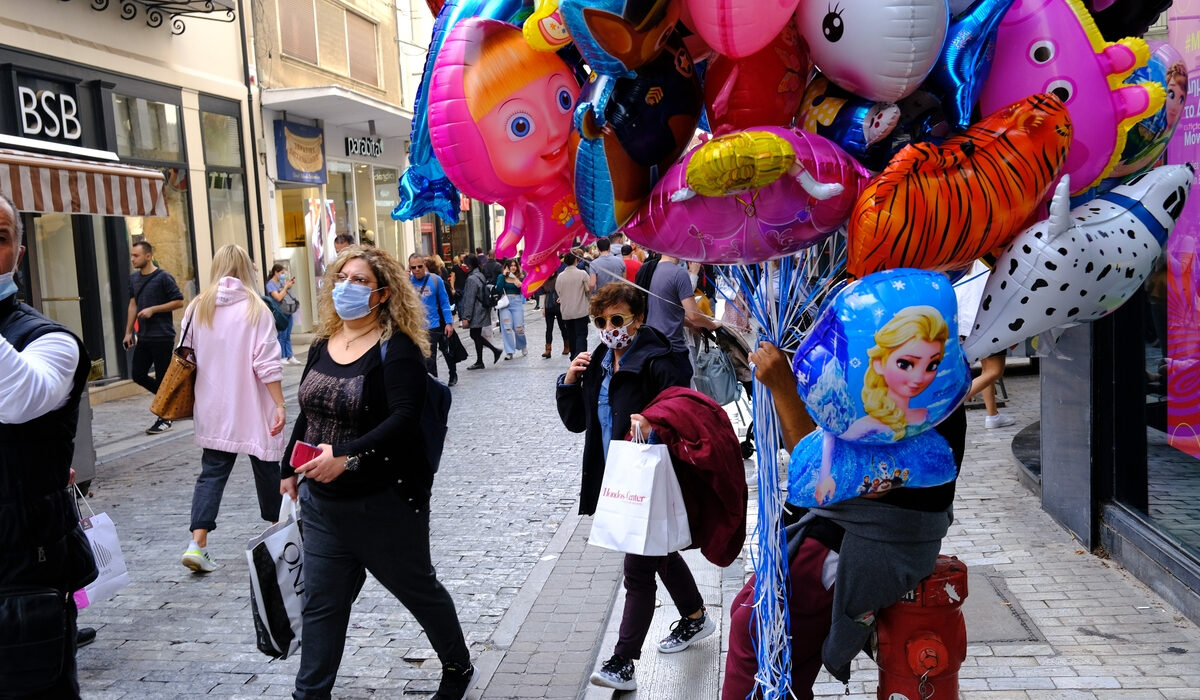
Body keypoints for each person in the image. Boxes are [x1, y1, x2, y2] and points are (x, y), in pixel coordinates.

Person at [721, 342, 967, 700]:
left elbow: (827, 475)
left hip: (863, 539)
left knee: (757, 630)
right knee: (768, 638)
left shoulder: (922, 384)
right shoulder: (909, 363)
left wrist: (783, 387)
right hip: (850, 527)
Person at [280, 246, 474, 700]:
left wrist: (345, 455)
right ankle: (310, 694)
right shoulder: (322, 344)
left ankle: (457, 665)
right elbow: (309, 412)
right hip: (322, 504)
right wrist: (289, 466)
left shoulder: (397, 348)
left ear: (383, 293)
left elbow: (404, 419)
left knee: (418, 590)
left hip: (383, 502)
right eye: (343, 278)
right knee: (322, 606)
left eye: (361, 281)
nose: (348, 286)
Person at [557, 283, 714, 692]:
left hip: (654, 478)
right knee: (658, 554)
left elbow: (685, 412)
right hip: (617, 477)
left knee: (638, 570)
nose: (609, 328)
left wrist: (654, 420)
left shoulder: (660, 360)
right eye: (600, 321)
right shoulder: (599, 361)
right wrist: (570, 381)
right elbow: (578, 423)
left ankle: (623, 661)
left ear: (638, 318)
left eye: (617, 320)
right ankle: (696, 617)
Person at [0, 192, 97, 698]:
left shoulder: (50, 341)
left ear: (18, 252)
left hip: (22, 573)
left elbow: (14, 399)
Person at [181, 245, 287, 573]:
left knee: (212, 473)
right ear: (247, 269)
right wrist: (280, 403)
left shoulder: (199, 307)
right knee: (268, 468)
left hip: (214, 404)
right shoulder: (257, 308)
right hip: (254, 404)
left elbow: (185, 353)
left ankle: (197, 544)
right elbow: (266, 363)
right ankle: (278, 541)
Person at [840, 306, 948, 443]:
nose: (919, 378)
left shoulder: (925, 415)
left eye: (932, 366)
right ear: (878, 363)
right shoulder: (861, 428)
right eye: (905, 364)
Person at [123, 239, 185, 434]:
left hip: (162, 336)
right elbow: (133, 304)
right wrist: (128, 332)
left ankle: (165, 417)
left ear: (148, 256)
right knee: (138, 374)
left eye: (136, 256)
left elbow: (179, 301)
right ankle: (170, 403)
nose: (132, 259)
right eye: (132, 255)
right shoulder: (133, 279)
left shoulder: (163, 278)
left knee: (162, 377)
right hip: (144, 336)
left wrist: (153, 310)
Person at [646, 253, 719, 381]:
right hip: (673, 349)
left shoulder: (653, 270)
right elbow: (694, 315)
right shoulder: (679, 273)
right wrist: (712, 325)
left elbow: (669, 311)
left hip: (655, 346)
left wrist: (691, 325)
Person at [411, 253, 459, 386]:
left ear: (424, 265)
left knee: (430, 359)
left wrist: (449, 323)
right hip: (414, 328)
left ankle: (433, 386)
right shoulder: (407, 283)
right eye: (413, 267)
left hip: (432, 326)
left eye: (419, 266)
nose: (417, 270)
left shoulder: (436, 280)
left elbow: (445, 302)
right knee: (417, 359)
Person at [458, 254, 503, 370]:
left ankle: (490, 354)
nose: (463, 266)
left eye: (465, 264)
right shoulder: (480, 275)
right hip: (481, 309)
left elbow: (469, 298)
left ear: (469, 265)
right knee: (475, 335)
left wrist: (466, 317)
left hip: (476, 311)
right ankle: (484, 358)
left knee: (475, 334)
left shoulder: (472, 279)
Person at [557, 252, 591, 358]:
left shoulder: (560, 276)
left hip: (567, 311)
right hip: (580, 309)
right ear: (576, 260)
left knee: (571, 334)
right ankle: (581, 356)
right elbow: (588, 289)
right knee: (581, 334)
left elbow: (558, 292)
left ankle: (573, 356)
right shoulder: (582, 274)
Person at [267, 263, 302, 365]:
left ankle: (290, 355)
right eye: (282, 273)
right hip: (280, 312)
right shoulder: (270, 284)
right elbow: (278, 297)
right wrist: (286, 287)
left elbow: (287, 295)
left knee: (287, 335)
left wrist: (288, 285)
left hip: (288, 310)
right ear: (276, 272)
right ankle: (282, 356)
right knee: (281, 335)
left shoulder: (282, 282)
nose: (283, 275)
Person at [496, 258, 528, 359]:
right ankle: (509, 352)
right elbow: (499, 289)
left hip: (517, 302)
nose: (513, 267)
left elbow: (525, 290)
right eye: (511, 265)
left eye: (515, 265)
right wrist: (504, 275)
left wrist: (516, 280)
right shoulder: (501, 277)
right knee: (507, 328)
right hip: (505, 304)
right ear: (507, 267)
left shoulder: (520, 277)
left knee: (519, 328)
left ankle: (522, 345)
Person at [541, 268, 569, 358]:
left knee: (562, 327)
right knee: (549, 328)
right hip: (548, 306)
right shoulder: (545, 280)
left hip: (558, 306)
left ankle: (567, 346)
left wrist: (562, 298)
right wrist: (543, 308)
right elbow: (544, 294)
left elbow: (565, 291)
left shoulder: (559, 278)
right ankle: (548, 350)